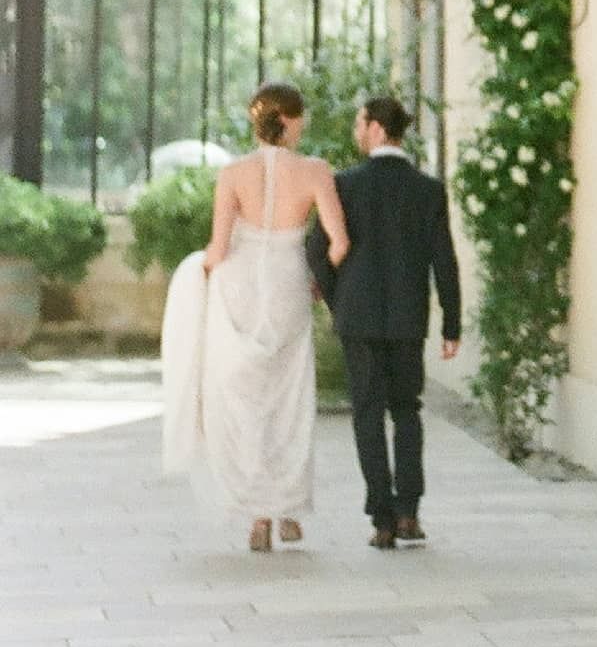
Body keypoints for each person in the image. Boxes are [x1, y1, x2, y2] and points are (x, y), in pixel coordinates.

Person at [160, 82, 349, 552]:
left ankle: (256, 517)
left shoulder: (233, 173)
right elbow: (339, 242)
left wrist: (192, 277)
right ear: (290, 119)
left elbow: (218, 249)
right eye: (302, 116)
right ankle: (287, 512)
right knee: (288, 399)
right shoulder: (315, 171)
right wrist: (319, 282)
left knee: (241, 401)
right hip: (287, 285)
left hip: (238, 290)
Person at [307, 97, 460, 550]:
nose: (357, 131)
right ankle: (410, 511)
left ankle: (382, 518)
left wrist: (339, 301)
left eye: (360, 123)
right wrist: (452, 324)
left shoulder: (345, 186)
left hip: (359, 319)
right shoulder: (428, 190)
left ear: (375, 129)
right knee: (407, 410)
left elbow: (318, 251)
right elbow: (444, 262)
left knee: (368, 415)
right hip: (409, 320)